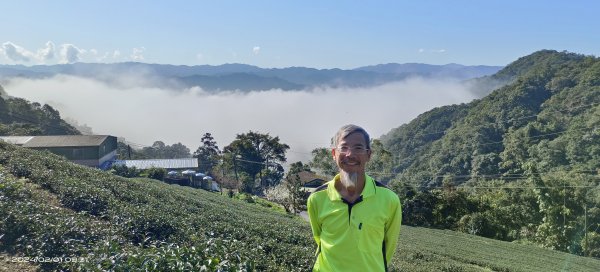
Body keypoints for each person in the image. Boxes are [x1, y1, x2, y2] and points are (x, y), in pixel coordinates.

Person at [307, 124, 402, 271]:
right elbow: (319, 240)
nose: (350, 154)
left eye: (358, 148)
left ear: (368, 154)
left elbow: (388, 248)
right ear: (334, 154)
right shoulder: (317, 198)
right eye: (343, 148)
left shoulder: (389, 200)